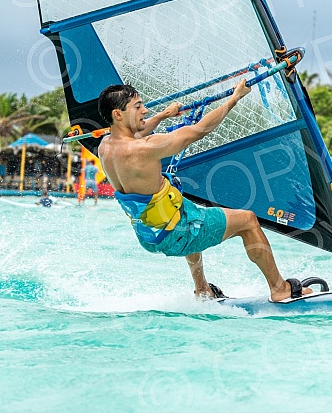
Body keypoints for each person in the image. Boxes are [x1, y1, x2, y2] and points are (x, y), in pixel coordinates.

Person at [97, 82, 312, 302]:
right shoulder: (144, 148)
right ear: (118, 114)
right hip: (177, 234)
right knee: (247, 220)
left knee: (187, 210)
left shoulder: (105, 146)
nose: (145, 111)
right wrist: (235, 98)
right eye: (138, 107)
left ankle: (202, 289)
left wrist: (163, 115)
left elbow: (137, 131)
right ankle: (279, 289)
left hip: (150, 234)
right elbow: (198, 131)